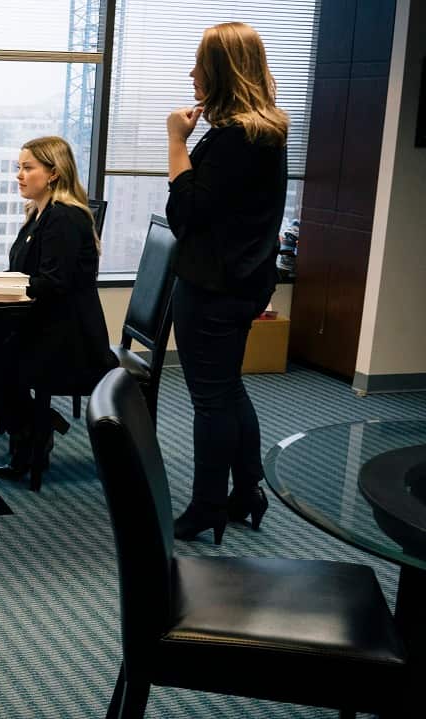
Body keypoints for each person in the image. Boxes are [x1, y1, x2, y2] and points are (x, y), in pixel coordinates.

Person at [165, 22, 288, 543]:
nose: (192, 73)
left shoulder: (236, 138)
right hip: (243, 282)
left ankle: (208, 506)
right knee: (228, 389)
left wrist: (175, 142)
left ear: (221, 71)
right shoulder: (265, 130)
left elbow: (185, 210)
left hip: (214, 287)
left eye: (199, 64)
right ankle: (246, 492)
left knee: (210, 400)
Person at [0, 136, 117, 480]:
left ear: (53, 172)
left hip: (69, 341)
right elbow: (28, 272)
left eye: (27, 167)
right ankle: (33, 427)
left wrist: (2, 285)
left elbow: (53, 282)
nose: (19, 175)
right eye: (18, 167)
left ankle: (33, 429)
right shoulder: (40, 213)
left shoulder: (64, 218)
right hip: (46, 327)